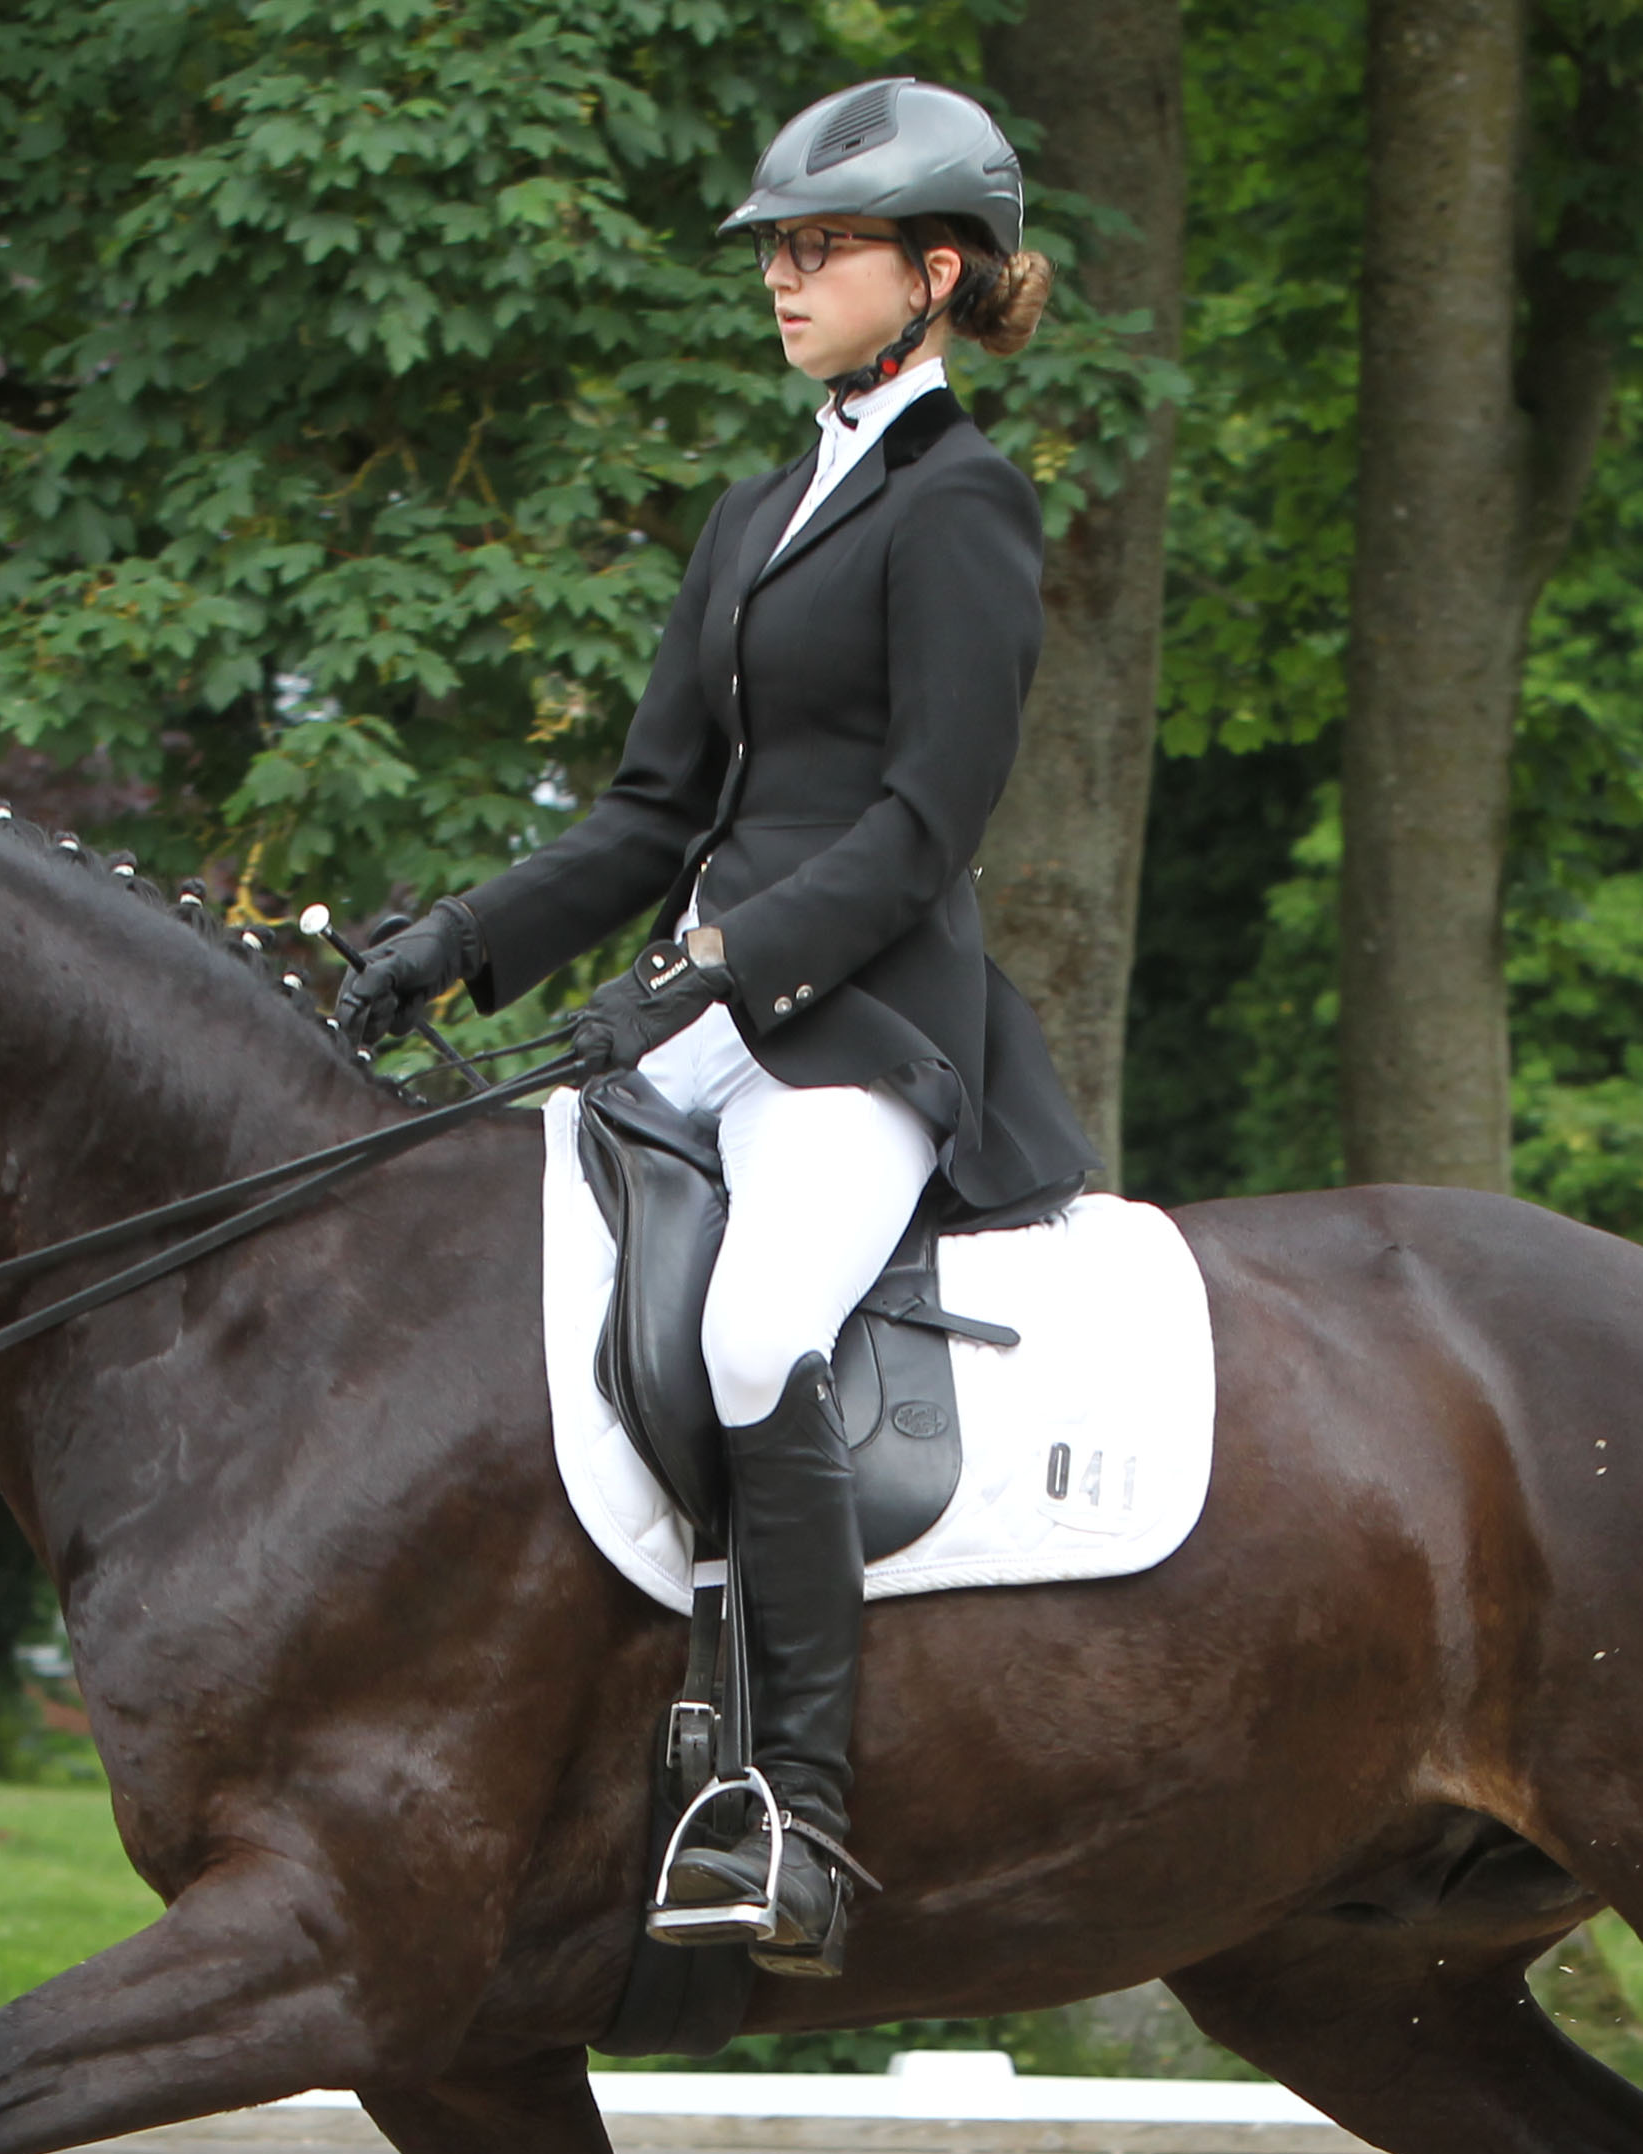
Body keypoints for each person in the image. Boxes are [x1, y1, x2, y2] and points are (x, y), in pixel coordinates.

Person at [335, 77, 1103, 1979]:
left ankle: (798, 1814)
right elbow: (645, 814)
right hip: (703, 1020)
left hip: (857, 1040)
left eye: (822, 248)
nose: (783, 276)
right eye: (775, 247)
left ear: (933, 277)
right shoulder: (757, 510)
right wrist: (456, 942)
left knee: (759, 1331)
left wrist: (718, 967)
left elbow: (927, 822)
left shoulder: (962, 505)